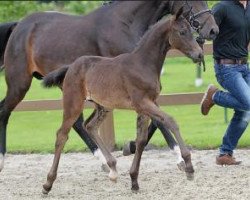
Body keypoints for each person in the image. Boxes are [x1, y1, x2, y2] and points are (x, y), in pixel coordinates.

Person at [201, 0, 250, 165]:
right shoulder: (222, 7)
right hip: (226, 68)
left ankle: (225, 153)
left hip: (244, 66)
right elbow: (205, 31)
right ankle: (214, 96)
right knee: (249, 103)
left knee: (245, 112)